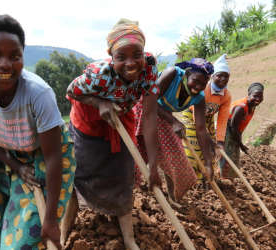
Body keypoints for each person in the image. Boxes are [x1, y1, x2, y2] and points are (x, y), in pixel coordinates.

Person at [0, 14, 75, 249]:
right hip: (11, 155)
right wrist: (16, 167)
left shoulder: (38, 93)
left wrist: (51, 220)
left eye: (14, 56)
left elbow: (54, 157)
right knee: (6, 228)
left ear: (22, 57)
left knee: (32, 233)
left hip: (49, 157)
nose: (5, 64)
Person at [64, 18, 159, 250]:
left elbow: (149, 117)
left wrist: (153, 166)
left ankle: (129, 239)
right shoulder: (98, 73)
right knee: (79, 178)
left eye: (136, 54)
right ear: (111, 56)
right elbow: (71, 91)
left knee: (122, 176)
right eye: (121, 57)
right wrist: (98, 102)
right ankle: (64, 233)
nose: (131, 63)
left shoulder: (150, 67)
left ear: (144, 52)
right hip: (89, 124)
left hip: (122, 119)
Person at [134, 58, 215, 201]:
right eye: (196, 81)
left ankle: (173, 197)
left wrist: (208, 163)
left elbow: (201, 130)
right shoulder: (172, 74)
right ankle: (134, 191)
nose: (198, 87)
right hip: (144, 108)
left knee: (175, 156)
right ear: (187, 73)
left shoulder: (199, 98)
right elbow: (150, 100)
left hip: (163, 116)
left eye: (203, 84)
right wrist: (174, 121)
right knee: (138, 151)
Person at [182, 54, 232, 181]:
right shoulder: (204, 89)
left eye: (226, 76)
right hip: (192, 117)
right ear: (213, 76)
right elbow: (197, 121)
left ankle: (208, 179)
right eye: (219, 75)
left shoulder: (226, 96)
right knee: (194, 147)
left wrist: (220, 142)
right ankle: (192, 180)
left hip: (208, 119)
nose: (222, 79)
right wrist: (208, 138)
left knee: (212, 150)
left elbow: (222, 120)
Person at [220, 82, 264, 179]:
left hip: (234, 133)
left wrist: (239, 142)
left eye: (260, 97)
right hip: (226, 133)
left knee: (233, 158)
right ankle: (222, 181)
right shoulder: (241, 107)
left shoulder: (251, 106)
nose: (258, 99)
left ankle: (229, 181)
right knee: (226, 158)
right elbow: (233, 126)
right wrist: (241, 144)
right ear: (249, 95)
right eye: (255, 96)